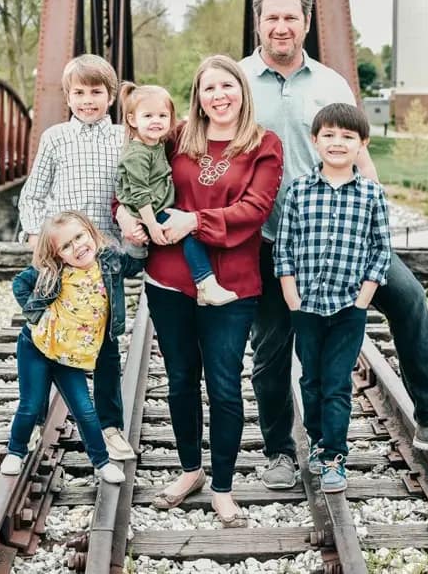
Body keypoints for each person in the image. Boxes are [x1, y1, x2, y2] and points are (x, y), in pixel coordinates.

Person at [239, 0, 428, 490]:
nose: (280, 26)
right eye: (271, 17)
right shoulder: (240, 81)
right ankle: (278, 451)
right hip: (275, 242)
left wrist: (375, 221)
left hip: (344, 239)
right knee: (272, 346)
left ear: (307, 22)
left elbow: (360, 153)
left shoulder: (331, 83)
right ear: (258, 22)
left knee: (408, 298)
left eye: (290, 17)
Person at [117, 54, 283, 526]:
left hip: (231, 283)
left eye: (227, 85)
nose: (219, 96)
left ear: (242, 90)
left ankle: (224, 487)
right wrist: (125, 217)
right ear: (198, 95)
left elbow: (256, 207)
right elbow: (130, 179)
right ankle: (190, 471)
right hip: (168, 279)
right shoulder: (175, 135)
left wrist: (195, 219)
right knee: (181, 379)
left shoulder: (262, 144)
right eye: (209, 88)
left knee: (225, 385)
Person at [17, 54, 134, 461]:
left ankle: (110, 426)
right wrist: (36, 237)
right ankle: (31, 419)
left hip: (103, 259)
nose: (88, 101)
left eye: (96, 92)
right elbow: (33, 193)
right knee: (47, 334)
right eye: (79, 93)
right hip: (60, 257)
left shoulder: (123, 137)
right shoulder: (55, 138)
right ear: (67, 95)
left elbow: (134, 189)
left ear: (111, 95)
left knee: (105, 343)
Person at [274, 103, 391, 492]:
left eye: (347, 136)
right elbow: (285, 247)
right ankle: (319, 440)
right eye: (329, 135)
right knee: (311, 380)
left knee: (337, 383)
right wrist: (291, 296)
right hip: (305, 305)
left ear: (362, 144)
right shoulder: (299, 191)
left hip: (347, 308)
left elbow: (381, 250)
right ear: (315, 140)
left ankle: (334, 457)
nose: (337, 143)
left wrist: (363, 299)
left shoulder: (372, 195)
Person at [0, 211, 143, 482]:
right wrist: (38, 316)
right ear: (58, 254)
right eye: (66, 245)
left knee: (85, 411)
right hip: (36, 348)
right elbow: (20, 284)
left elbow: (135, 264)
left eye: (79, 236)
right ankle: (16, 451)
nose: (77, 247)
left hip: (70, 357)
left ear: (90, 231)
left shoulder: (109, 262)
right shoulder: (54, 270)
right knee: (30, 405)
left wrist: (134, 241)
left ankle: (101, 463)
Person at [116, 82, 237, 306]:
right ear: (132, 120)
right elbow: (140, 193)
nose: (156, 121)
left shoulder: (155, 143)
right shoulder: (137, 154)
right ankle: (206, 284)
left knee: (186, 227)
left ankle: (134, 257)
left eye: (162, 115)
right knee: (190, 233)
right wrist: (151, 224)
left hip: (156, 207)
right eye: (148, 115)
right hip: (149, 211)